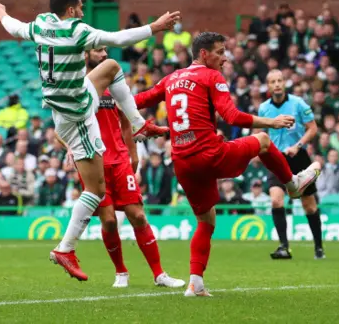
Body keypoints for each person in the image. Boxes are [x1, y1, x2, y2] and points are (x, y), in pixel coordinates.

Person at [0, 0, 179, 281]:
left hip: (64, 103)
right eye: (79, 7)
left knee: (112, 67)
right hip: (78, 113)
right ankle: (65, 249)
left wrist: (0, 12)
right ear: (69, 10)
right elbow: (118, 38)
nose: (82, 12)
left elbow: (14, 27)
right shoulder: (77, 30)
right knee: (96, 191)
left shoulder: (40, 26)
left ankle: (139, 122)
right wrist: (154, 27)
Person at [135, 32, 321, 297]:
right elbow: (232, 116)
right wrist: (271, 121)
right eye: (220, 52)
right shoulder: (211, 76)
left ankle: (195, 283)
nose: (224, 58)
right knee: (264, 141)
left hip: (183, 163)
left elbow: (136, 100)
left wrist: (128, 117)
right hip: (209, 155)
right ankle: (293, 184)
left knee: (206, 220)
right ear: (203, 54)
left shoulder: (171, 78)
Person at [67, 46, 184, 288]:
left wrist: (133, 154)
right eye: (97, 50)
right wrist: (70, 145)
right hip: (93, 161)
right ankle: (121, 272)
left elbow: (126, 122)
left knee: (138, 215)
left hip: (119, 159)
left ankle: (159, 274)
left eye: (104, 49)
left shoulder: (114, 85)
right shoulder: (76, 86)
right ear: (85, 55)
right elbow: (62, 122)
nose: (103, 53)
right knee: (109, 221)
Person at [258, 69, 325, 260]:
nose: (277, 84)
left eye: (280, 80)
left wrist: (298, 145)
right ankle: (284, 247)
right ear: (268, 86)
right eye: (273, 81)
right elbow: (262, 133)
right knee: (276, 200)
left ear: (285, 83)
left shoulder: (298, 103)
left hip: (298, 157)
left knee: (309, 206)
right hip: (276, 158)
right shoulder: (264, 108)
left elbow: (312, 128)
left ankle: (318, 247)